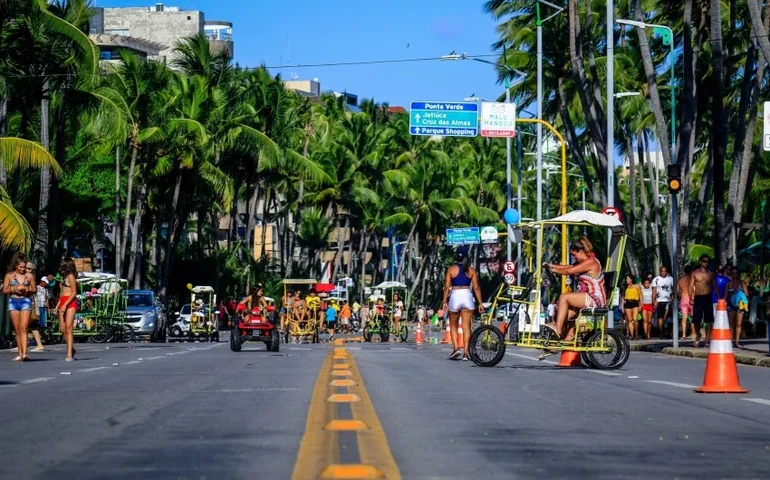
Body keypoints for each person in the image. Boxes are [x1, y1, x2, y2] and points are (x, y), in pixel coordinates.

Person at [542, 237, 605, 353]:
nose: (574, 257)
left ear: (581, 252)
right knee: (564, 314)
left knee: (564, 297)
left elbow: (569, 271)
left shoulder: (592, 262)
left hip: (594, 298)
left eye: (574, 255)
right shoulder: (582, 263)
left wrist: (554, 270)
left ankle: (558, 328)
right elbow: (569, 267)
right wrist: (550, 266)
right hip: (585, 297)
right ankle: (565, 340)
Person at [441, 246, 484, 361]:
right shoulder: (471, 270)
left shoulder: (451, 269)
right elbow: (476, 287)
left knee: (453, 325)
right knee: (466, 327)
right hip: (467, 295)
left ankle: (456, 349)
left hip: (455, 295)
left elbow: (447, 287)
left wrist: (444, 301)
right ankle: (466, 353)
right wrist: (480, 303)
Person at [3, 253, 36, 361]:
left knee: (24, 328)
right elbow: (4, 290)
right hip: (13, 302)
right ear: (16, 265)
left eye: (24, 267)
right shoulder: (9, 275)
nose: (23, 269)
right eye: (20, 267)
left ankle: (25, 353)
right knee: (17, 329)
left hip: (25, 301)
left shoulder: (29, 276)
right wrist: (14, 289)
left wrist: (26, 289)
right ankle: (20, 353)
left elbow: (34, 289)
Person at [56, 257, 79, 361]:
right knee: (63, 329)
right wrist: (58, 305)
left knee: (69, 327)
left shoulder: (71, 276)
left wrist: (65, 304)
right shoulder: (63, 277)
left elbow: (74, 292)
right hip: (63, 301)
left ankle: (69, 354)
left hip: (70, 302)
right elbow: (62, 293)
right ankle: (71, 348)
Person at [689, 255, 715, 347]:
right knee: (696, 320)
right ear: (700, 262)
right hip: (698, 297)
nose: (706, 263)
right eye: (704, 261)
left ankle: (707, 340)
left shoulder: (710, 274)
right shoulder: (695, 273)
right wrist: (690, 298)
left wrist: (720, 297)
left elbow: (714, 286)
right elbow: (691, 286)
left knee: (708, 320)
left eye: (707, 261)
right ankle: (698, 335)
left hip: (708, 297)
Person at [26, 262, 48, 352]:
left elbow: (33, 291)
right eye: (27, 268)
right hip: (30, 303)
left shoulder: (30, 278)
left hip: (29, 304)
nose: (27, 270)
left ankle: (29, 345)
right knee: (29, 326)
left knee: (29, 325)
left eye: (29, 269)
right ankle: (25, 344)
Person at [727, 266, 748, 347]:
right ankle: (731, 341)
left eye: (736, 273)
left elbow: (746, 294)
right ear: (731, 274)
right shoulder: (728, 284)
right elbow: (725, 295)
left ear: (738, 274)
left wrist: (739, 294)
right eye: (733, 273)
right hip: (731, 304)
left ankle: (737, 341)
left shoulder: (742, 283)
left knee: (738, 324)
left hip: (740, 305)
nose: (734, 274)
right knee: (731, 323)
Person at [652, 266, 674, 338]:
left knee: (669, 318)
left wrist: (673, 297)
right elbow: (654, 290)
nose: (664, 273)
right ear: (660, 271)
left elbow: (674, 289)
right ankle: (662, 332)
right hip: (660, 301)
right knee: (660, 317)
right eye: (662, 271)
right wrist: (654, 300)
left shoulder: (671, 279)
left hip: (668, 301)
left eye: (665, 271)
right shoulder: (656, 279)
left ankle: (669, 332)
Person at [622, 275, 642, 340]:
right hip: (627, 303)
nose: (626, 280)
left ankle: (636, 334)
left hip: (635, 302)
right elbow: (623, 297)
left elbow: (640, 295)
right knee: (630, 320)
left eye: (627, 278)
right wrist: (622, 306)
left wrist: (641, 304)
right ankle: (632, 335)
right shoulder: (625, 287)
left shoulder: (637, 286)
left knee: (635, 319)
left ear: (631, 279)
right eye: (626, 279)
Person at [677, 264, 693, 341]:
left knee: (684, 318)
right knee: (693, 317)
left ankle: (683, 335)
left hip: (683, 299)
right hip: (692, 298)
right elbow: (694, 288)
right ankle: (694, 333)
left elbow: (677, 291)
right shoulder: (692, 278)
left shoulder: (680, 279)